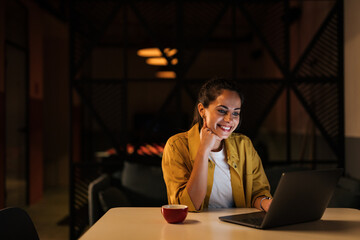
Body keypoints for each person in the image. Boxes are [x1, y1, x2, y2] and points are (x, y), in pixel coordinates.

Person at [162, 77, 272, 212]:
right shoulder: (176, 146)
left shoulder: (244, 145)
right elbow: (188, 205)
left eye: (235, 113)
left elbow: (258, 193)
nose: (229, 120)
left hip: (238, 229)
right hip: (194, 229)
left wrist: (267, 204)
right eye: (222, 111)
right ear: (202, 110)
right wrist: (203, 150)